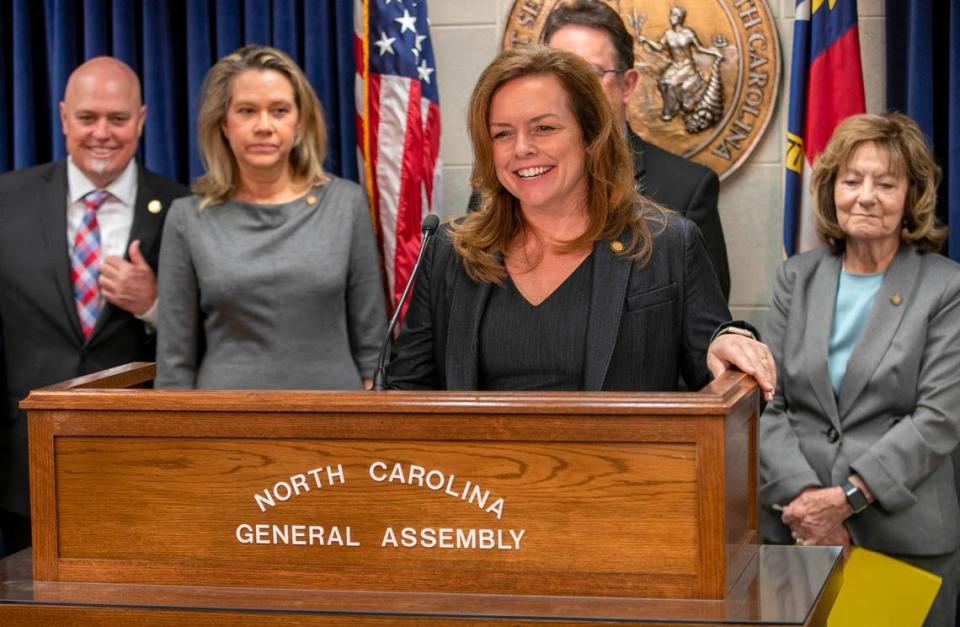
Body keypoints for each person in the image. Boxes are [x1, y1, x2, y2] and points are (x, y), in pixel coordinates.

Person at [386, 46, 773, 396]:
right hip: (478, 474)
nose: (522, 149)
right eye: (502, 134)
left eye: (544, 128)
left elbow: (725, 384)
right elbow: (406, 392)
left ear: (590, 136)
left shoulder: (667, 244)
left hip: (623, 473)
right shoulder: (450, 252)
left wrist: (731, 344)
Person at [759, 113, 960, 627]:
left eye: (885, 183)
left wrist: (847, 499)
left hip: (901, 539)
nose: (866, 196)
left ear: (911, 196)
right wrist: (809, 501)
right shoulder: (796, 278)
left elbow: (938, 417)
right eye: (851, 180)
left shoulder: (946, 287)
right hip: (796, 532)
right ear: (831, 191)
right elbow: (767, 403)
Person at [0, 57, 188, 555]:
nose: (102, 133)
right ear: (64, 118)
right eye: (87, 118)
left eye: (118, 119)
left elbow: (209, 340)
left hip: (140, 459)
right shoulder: (5, 201)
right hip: (22, 464)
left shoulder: (182, 210)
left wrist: (153, 304)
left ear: (142, 120)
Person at [155, 45, 386, 390]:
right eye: (247, 111)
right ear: (223, 123)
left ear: (299, 122)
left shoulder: (345, 204)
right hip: (222, 424)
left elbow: (374, 352)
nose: (264, 126)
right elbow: (174, 364)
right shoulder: (187, 218)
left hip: (335, 420)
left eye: (279, 110)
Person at [469, 0, 731, 300]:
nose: (570, 92)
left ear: (628, 84)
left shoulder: (685, 189)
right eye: (557, 74)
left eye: (587, 74)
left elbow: (706, 329)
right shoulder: (501, 184)